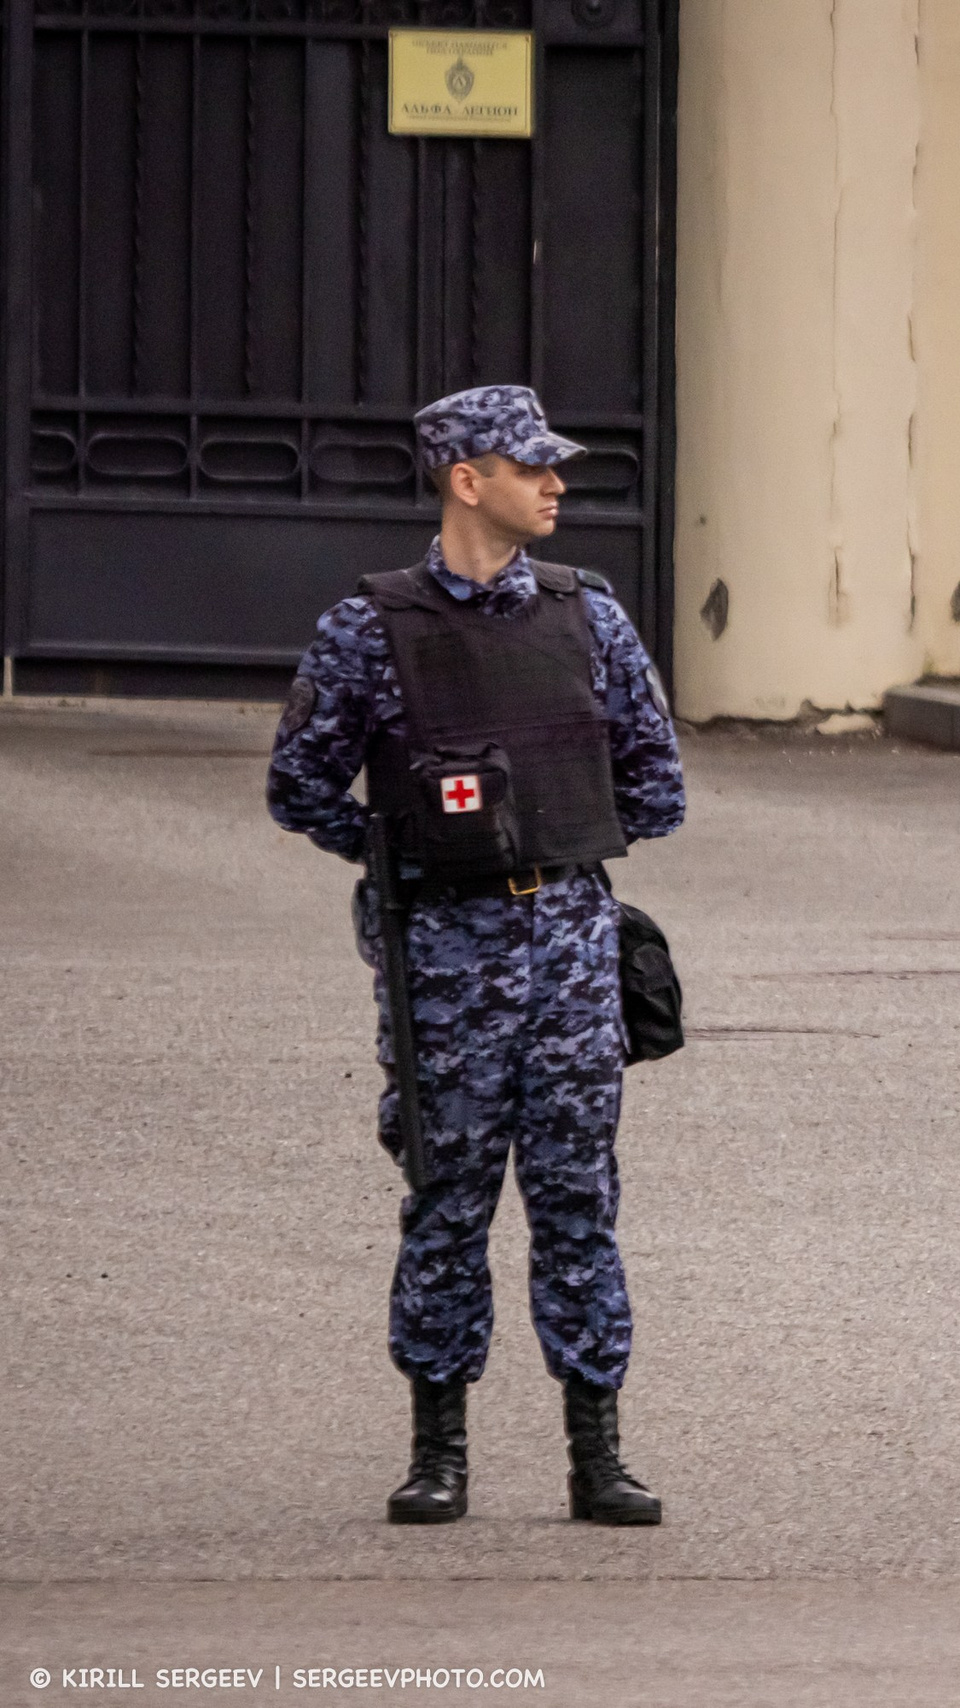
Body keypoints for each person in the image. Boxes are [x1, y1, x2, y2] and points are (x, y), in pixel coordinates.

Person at [266, 385, 685, 1524]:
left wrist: (554, 842)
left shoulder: (590, 615)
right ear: (466, 479)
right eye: (531, 466)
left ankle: (596, 1456)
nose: (556, 484)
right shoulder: (372, 626)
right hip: (442, 957)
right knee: (446, 1201)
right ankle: (437, 1449)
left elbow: (659, 786)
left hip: (569, 951)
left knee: (577, 1199)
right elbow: (298, 785)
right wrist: (405, 853)